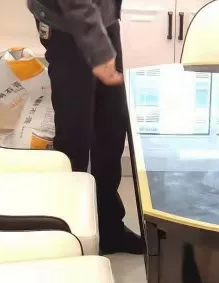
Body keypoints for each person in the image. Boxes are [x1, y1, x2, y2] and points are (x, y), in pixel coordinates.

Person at [28, 0, 144, 254]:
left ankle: (110, 229)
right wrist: (100, 52)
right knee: (74, 138)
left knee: (112, 127)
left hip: (103, 17)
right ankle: (70, 235)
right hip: (67, 24)